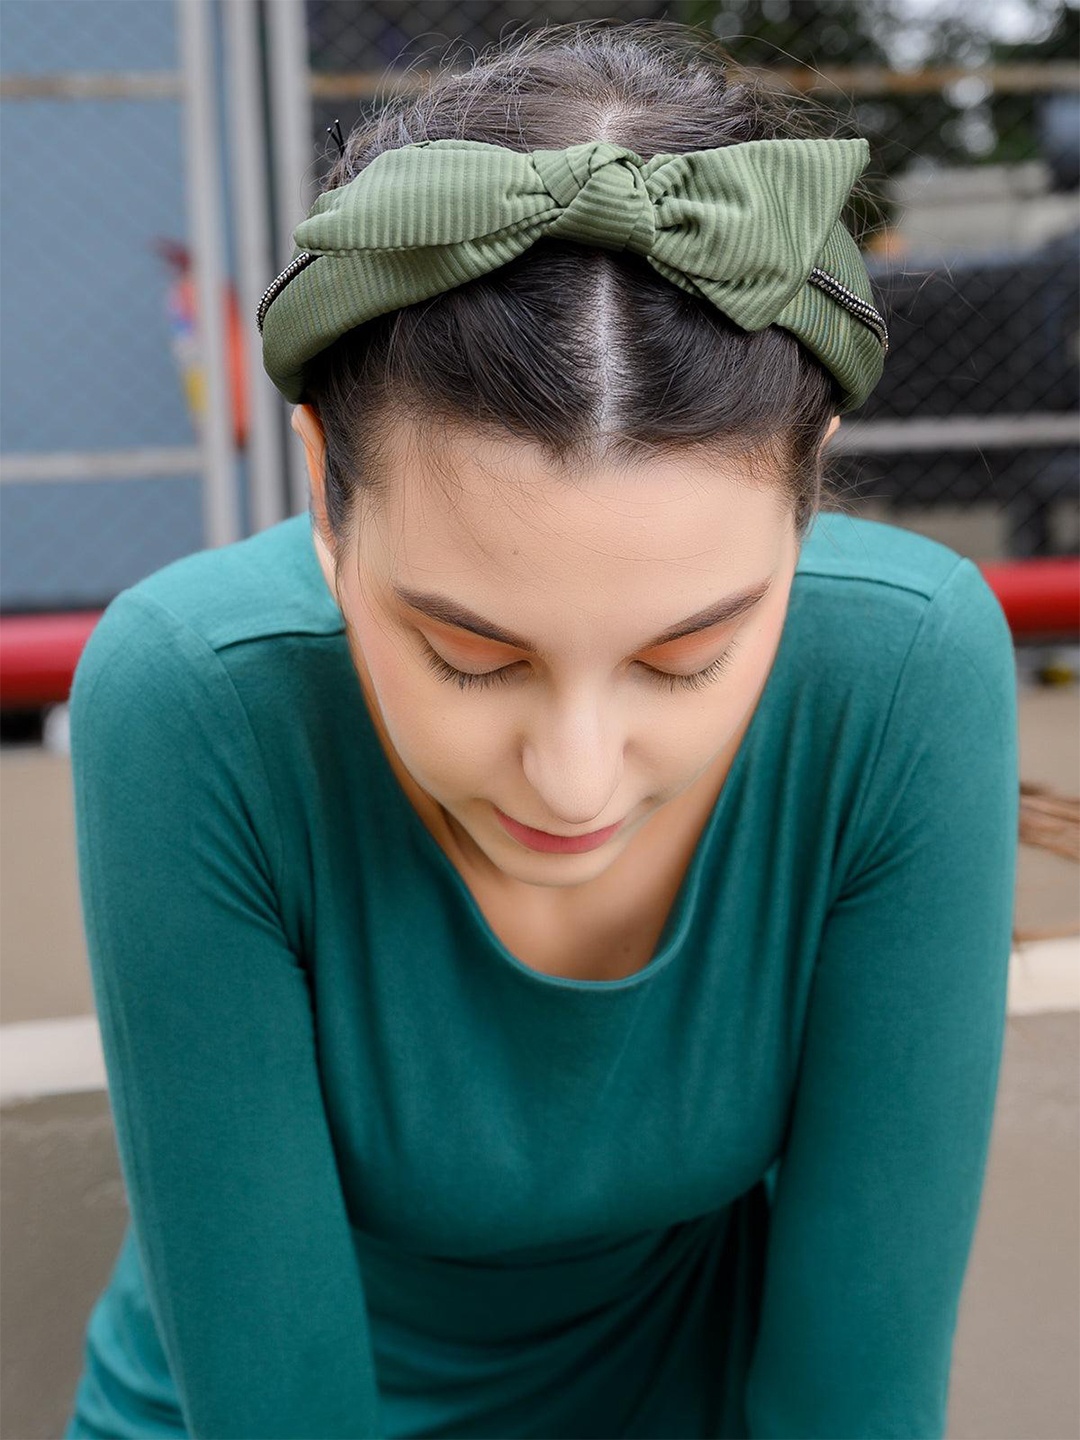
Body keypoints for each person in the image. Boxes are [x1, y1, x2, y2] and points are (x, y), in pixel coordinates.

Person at [63, 20, 1018, 1440]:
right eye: (467, 656)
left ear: (811, 494)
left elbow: (855, 1396)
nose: (574, 773)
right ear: (324, 482)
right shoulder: (196, 696)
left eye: (687, 659)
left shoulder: (905, 674)